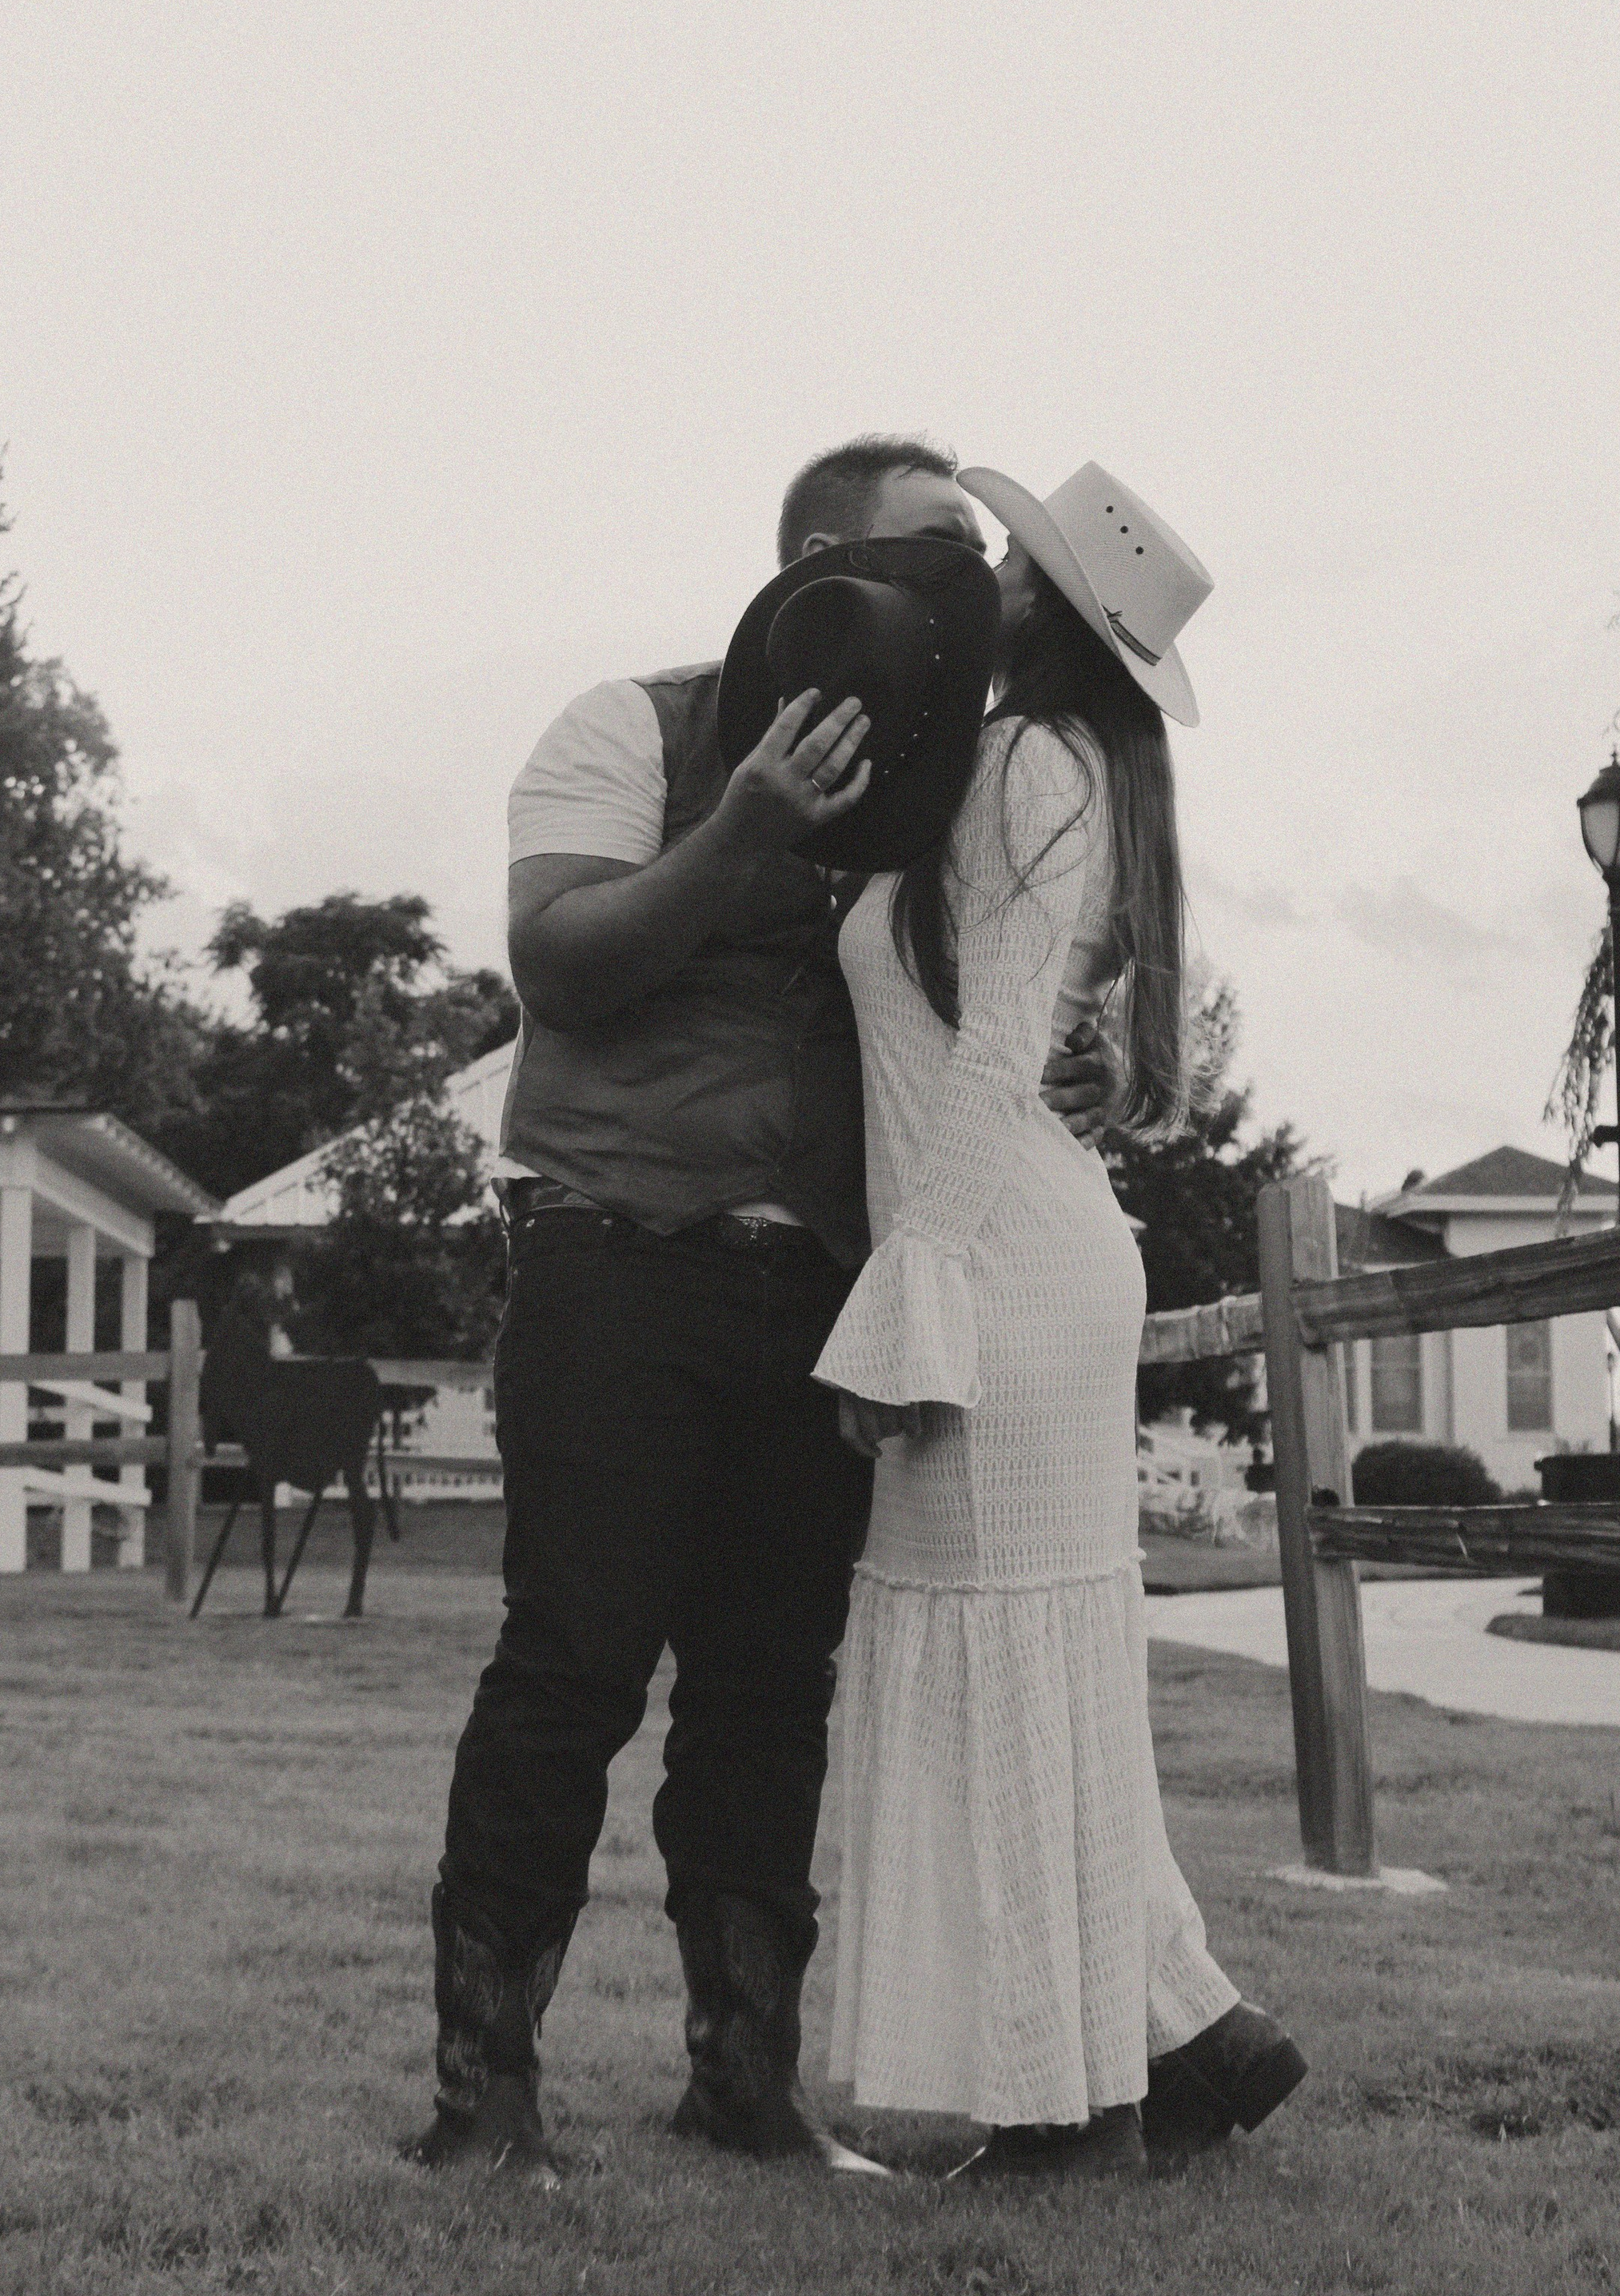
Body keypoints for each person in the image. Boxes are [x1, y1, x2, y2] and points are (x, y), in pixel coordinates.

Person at [407, 437, 1114, 2186]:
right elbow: (558, 967)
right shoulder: (627, 730)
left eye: (978, 565)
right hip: (613, 1264)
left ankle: (742, 2088)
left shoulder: (941, 783)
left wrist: (1047, 1056)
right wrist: (740, 835)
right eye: (929, 554)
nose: (968, 591)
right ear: (817, 562)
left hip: (816, 1292)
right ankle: (482, 2097)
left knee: (763, 1693)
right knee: (569, 1669)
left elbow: (950, 1013)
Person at [816, 460, 1306, 2180]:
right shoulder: (1052, 765)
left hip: (996, 1264)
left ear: (1045, 603)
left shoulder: (1031, 761)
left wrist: (911, 1301)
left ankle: (1068, 2109)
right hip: (1016, 1250)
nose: (988, 574)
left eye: (1010, 560)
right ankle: (1178, 2047)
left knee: (1007, 1682)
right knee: (1037, 1682)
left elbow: (989, 1048)